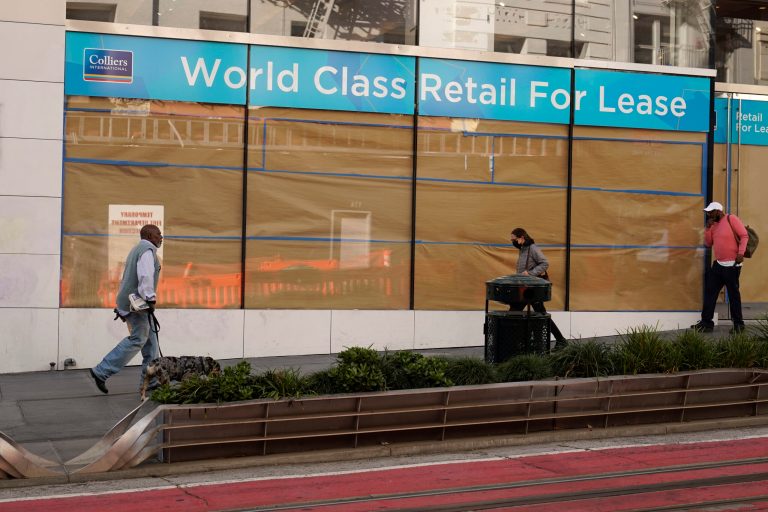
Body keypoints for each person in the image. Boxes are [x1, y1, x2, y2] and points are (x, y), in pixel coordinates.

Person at [89, 224, 163, 394]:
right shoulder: (147, 250)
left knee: (151, 342)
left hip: (132, 302)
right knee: (138, 339)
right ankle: (101, 371)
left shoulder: (137, 249)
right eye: (158, 234)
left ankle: (151, 381)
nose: (161, 237)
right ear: (150, 236)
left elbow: (128, 278)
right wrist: (150, 298)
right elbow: (145, 277)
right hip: (138, 304)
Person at [691, 202, 748, 334]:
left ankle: (738, 325)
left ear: (718, 211)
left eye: (711, 212)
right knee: (710, 293)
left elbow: (744, 236)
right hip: (718, 265)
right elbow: (708, 243)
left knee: (733, 295)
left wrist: (741, 253)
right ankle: (706, 323)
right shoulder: (713, 225)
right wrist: (708, 229)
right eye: (707, 212)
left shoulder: (731, 219)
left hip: (732, 265)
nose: (709, 214)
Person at [510, 227, 566, 344]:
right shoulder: (523, 249)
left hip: (532, 289)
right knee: (537, 313)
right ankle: (561, 340)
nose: (513, 242)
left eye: (514, 239)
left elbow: (545, 263)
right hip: (525, 287)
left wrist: (530, 273)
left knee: (515, 312)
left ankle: (512, 343)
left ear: (522, 237)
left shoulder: (532, 248)